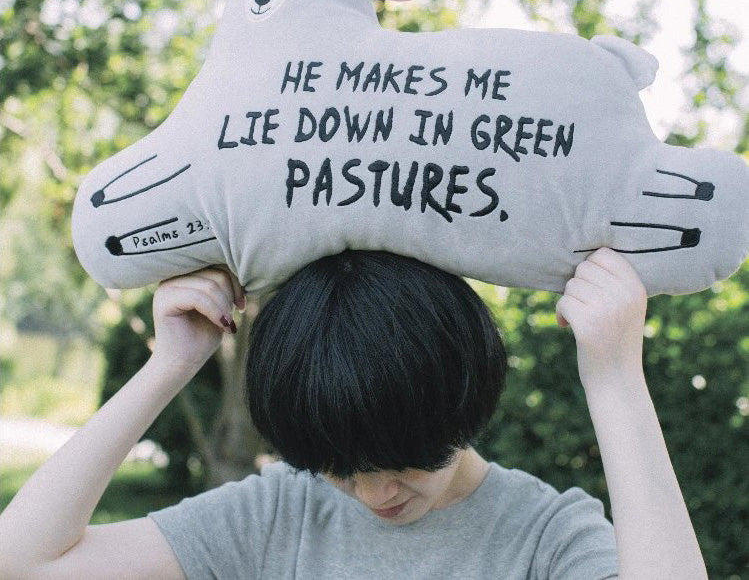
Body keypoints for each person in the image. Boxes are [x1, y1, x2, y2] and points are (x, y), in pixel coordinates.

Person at [0, 247, 707, 579]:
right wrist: (170, 364)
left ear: (459, 405)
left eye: (400, 461)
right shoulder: (276, 514)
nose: (374, 494)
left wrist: (615, 379)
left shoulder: (544, 540)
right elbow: (24, 562)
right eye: (338, 469)